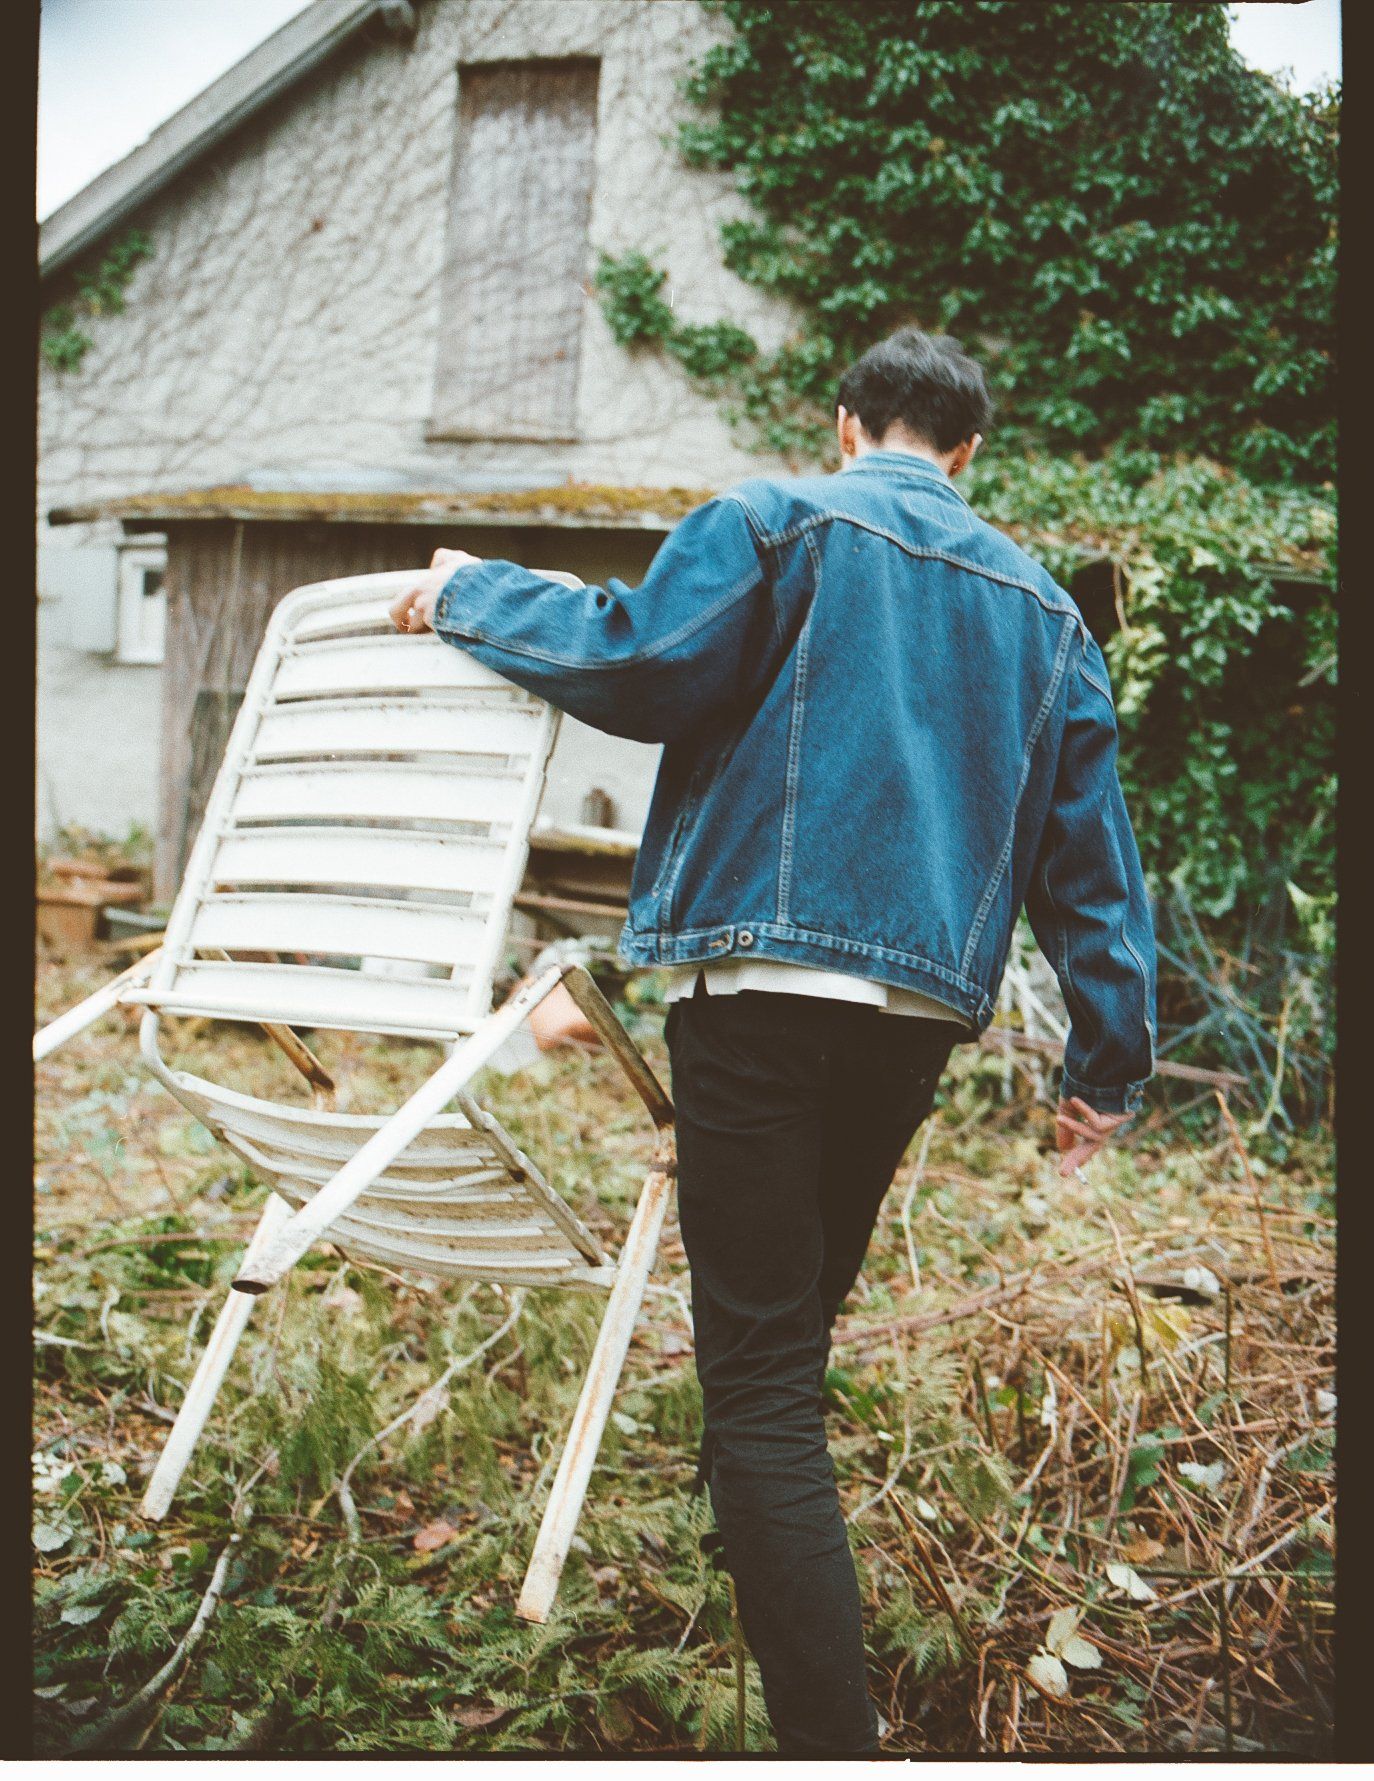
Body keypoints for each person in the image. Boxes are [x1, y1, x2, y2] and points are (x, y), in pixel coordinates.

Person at [389, 327, 1157, 1755]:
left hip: (754, 987)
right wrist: (1105, 1066)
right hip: (914, 1017)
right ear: (968, 451)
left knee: (759, 1372)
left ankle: (826, 1740)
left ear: (846, 423)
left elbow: (635, 658)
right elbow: (1091, 867)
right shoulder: (1046, 612)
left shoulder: (770, 520)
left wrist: (466, 590)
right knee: (790, 1330)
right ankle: (743, 1547)